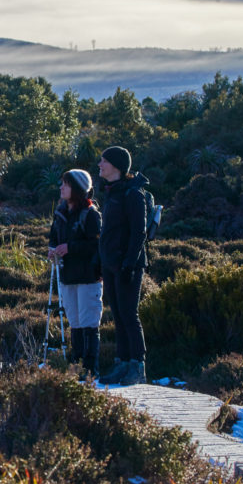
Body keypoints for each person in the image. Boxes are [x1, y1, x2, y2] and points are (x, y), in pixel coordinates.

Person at [97, 146, 150, 386]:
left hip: (128, 265)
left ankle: (137, 366)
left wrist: (129, 264)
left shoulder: (133, 195)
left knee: (129, 314)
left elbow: (139, 232)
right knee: (118, 315)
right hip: (111, 264)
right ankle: (122, 363)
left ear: (116, 166)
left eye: (103, 161)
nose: (99, 165)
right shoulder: (112, 192)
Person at [49, 168, 102, 379]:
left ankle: (90, 371)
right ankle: (76, 367)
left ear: (78, 188)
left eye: (66, 184)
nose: (61, 187)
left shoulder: (91, 215)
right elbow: (53, 237)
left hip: (89, 277)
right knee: (75, 323)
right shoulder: (60, 213)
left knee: (89, 323)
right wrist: (52, 249)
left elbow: (97, 244)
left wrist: (70, 248)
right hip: (68, 276)